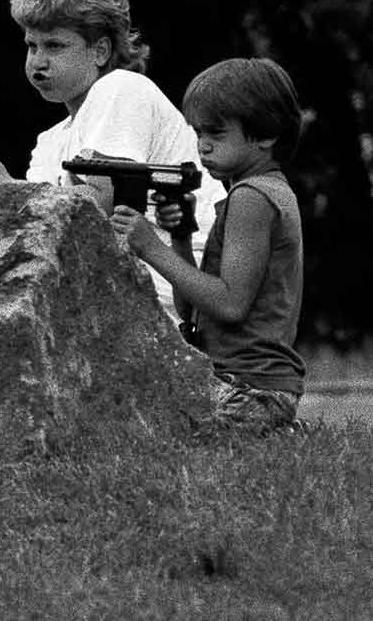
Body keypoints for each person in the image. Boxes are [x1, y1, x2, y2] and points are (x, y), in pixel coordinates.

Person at [0, 0, 224, 325]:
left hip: (174, 300)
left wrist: (5, 188)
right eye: (31, 45)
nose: (38, 61)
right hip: (111, 294)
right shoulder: (50, 141)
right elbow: (38, 225)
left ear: (99, 51)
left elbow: (100, 202)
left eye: (54, 45)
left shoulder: (122, 89)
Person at [113, 57, 306, 432]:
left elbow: (230, 304)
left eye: (216, 135)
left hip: (251, 387)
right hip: (236, 380)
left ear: (266, 135)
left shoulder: (253, 197)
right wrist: (181, 237)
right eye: (198, 134)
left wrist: (150, 246)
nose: (202, 147)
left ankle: (280, 433)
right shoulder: (256, 193)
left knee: (167, 437)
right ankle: (278, 431)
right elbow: (193, 310)